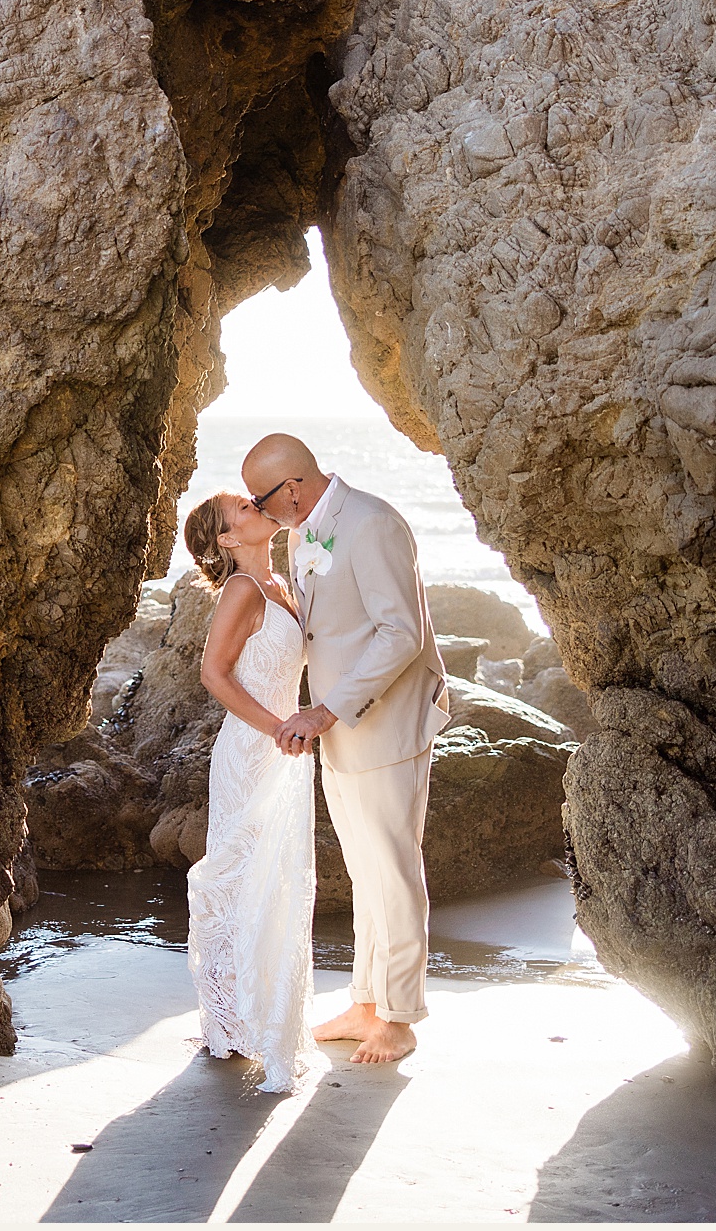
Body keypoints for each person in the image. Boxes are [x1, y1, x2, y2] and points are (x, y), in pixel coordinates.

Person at [242, 432, 448, 1065]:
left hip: (382, 725)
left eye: (264, 498)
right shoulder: (308, 532)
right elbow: (320, 623)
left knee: (393, 871)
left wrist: (327, 708)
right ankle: (366, 1003)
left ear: (294, 488)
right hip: (339, 727)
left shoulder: (372, 523)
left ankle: (402, 1017)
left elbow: (401, 632)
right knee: (365, 872)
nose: (263, 509)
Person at [179, 487, 320, 1092]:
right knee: (241, 874)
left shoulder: (282, 586)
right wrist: (278, 727)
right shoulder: (242, 589)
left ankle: (259, 1016)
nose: (253, 506)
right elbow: (214, 674)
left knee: (278, 876)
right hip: (252, 751)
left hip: (285, 751)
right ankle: (234, 1020)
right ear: (228, 542)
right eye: (239, 510)